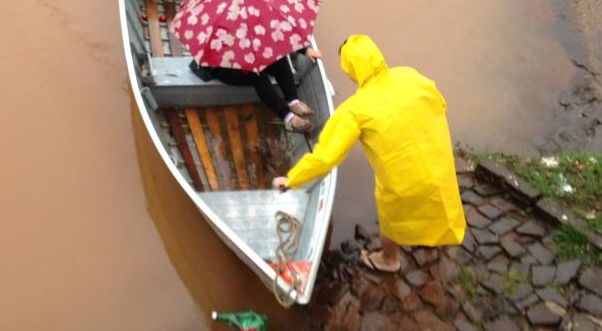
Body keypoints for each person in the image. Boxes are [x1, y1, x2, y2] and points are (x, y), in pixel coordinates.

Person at [272, 35, 466, 272]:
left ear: (351, 70)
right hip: (436, 164)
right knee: (436, 200)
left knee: (391, 218)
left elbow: (325, 158)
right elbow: (440, 104)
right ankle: (434, 239)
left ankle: (389, 260)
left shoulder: (355, 110)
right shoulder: (410, 76)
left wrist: (291, 179)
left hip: (401, 182)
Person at [189, 48, 322, 133]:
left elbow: (280, 35)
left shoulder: (255, 11)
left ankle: (293, 101)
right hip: (222, 64)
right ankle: (288, 118)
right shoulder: (221, 20)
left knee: (279, 58)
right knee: (256, 74)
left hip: (252, 53)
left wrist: (305, 50)